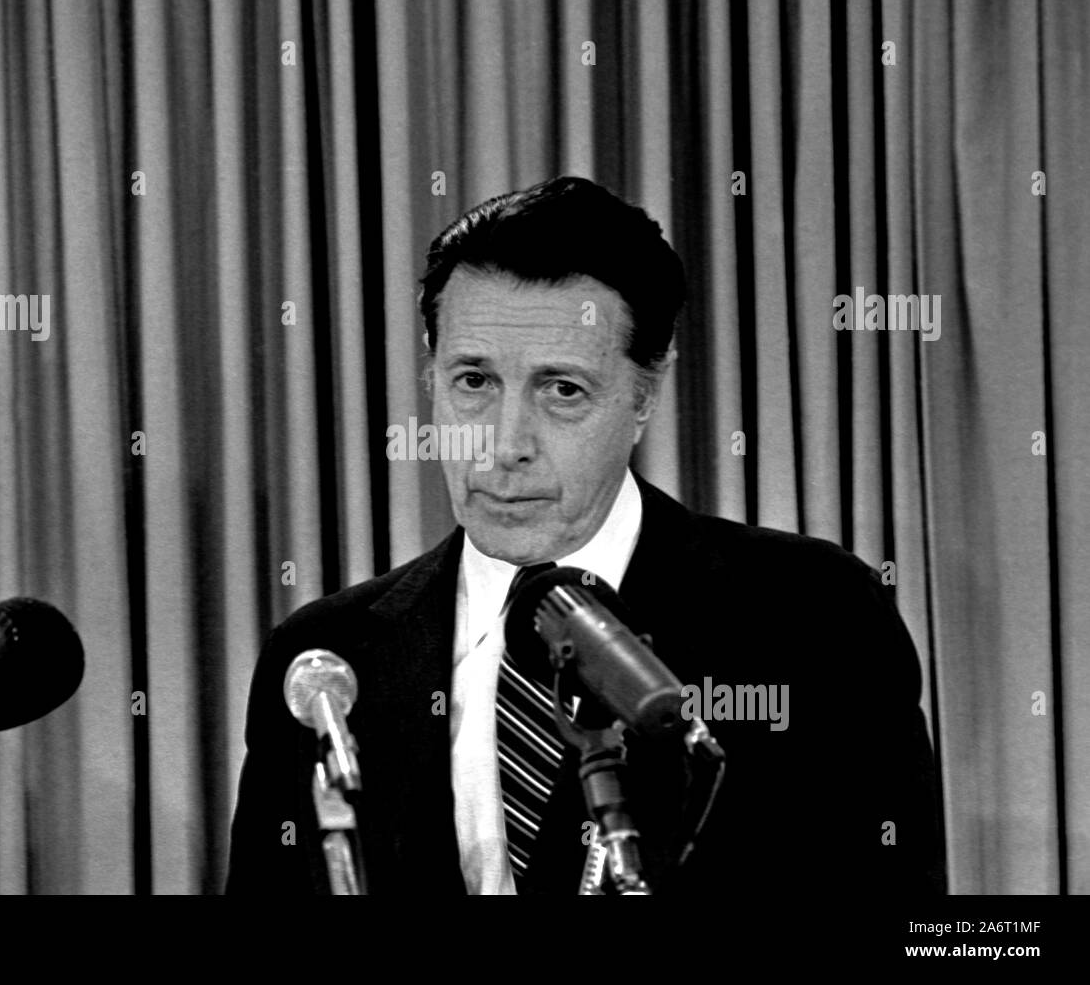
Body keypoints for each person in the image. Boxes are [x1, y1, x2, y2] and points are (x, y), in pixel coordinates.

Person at [225, 176, 946, 895]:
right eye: (473, 381)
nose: (505, 445)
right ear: (430, 376)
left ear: (645, 395)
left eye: (561, 389)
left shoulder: (814, 617)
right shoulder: (324, 661)